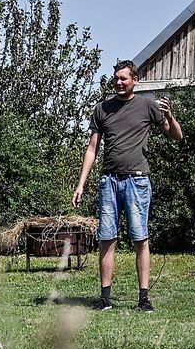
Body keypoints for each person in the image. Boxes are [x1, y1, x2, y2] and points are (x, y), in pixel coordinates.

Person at [72, 59, 182, 312]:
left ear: (135, 80)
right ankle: (105, 300)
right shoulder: (102, 109)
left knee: (140, 238)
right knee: (106, 238)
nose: (119, 83)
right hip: (109, 181)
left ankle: (144, 299)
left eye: (124, 79)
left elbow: (176, 135)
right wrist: (81, 184)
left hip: (137, 181)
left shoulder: (147, 106)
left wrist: (170, 115)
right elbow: (92, 149)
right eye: (116, 79)